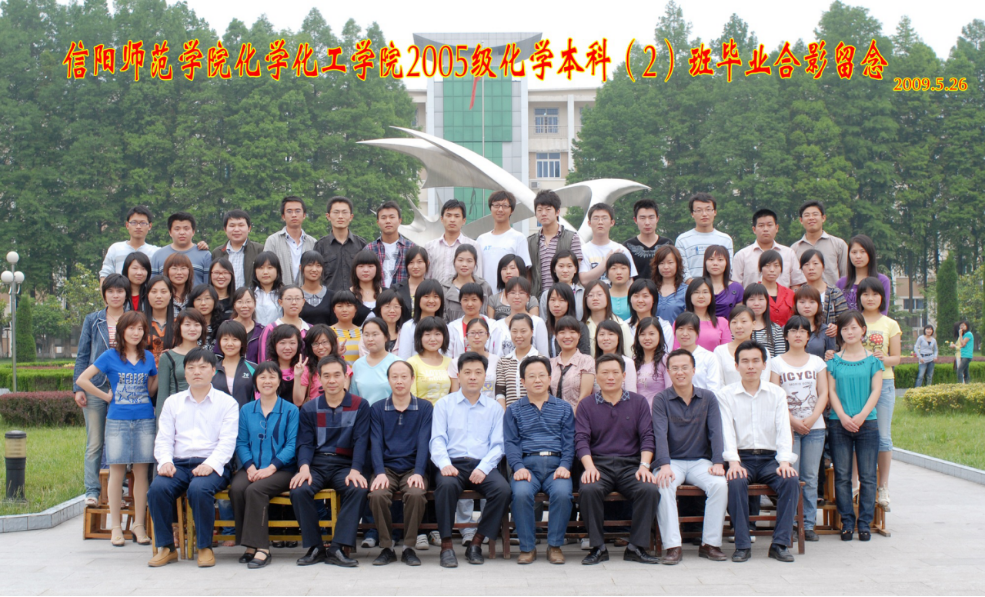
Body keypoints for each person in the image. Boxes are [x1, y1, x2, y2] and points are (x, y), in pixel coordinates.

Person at [147, 348, 239, 568]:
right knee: (157, 489)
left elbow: (227, 443)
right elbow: (164, 438)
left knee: (199, 489)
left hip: (213, 464)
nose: (197, 372)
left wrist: (210, 465)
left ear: (214, 371)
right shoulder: (173, 402)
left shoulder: (227, 403)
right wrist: (165, 461)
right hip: (178, 464)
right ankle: (167, 548)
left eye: (203, 367)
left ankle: (204, 547)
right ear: (185, 372)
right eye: (191, 368)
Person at [74, 311, 157, 547]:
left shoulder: (148, 357)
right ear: (122, 331)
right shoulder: (110, 356)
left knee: (141, 473)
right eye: (131, 328)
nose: (136, 333)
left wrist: (160, 374)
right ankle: (117, 527)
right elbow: (82, 379)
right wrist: (106, 396)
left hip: (144, 420)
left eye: (140, 329)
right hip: (117, 421)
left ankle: (139, 526)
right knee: (117, 472)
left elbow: (151, 389)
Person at [718, 340, 800, 563]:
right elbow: (726, 431)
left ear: (765, 364)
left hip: (769, 459)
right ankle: (742, 544)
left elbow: (784, 429)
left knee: (790, 480)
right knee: (735, 481)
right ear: (736, 366)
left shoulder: (776, 393)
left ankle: (780, 544)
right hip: (741, 458)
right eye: (745, 361)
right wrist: (733, 462)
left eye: (756, 361)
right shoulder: (726, 394)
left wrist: (784, 461)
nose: (750, 366)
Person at [576, 353, 661, 565]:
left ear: (624, 375)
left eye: (615, 372)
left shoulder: (638, 402)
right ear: (597, 376)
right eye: (605, 372)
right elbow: (581, 439)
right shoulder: (586, 405)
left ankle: (636, 547)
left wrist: (644, 466)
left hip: (631, 465)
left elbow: (647, 436)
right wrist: (589, 467)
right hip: (599, 464)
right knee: (589, 489)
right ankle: (598, 547)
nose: (610, 377)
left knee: (649, 489)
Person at [430, 352, 512, 568]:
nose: (472, 377)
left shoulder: (494, 408)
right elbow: (437, 439)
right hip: (452, 464)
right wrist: (445, 464)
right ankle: (446, 546)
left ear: (485, 376)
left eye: (478, 372)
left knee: (503, 490)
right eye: (467, 372)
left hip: (482, 464)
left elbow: (498, 445)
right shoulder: (444, 404)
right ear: (458, 375)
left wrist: (483, 467)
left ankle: (476, 543)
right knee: (446, 486)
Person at [289, 355, 370, 567]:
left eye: (337, 375)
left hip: (345, 465)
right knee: (299, 489)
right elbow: (305, 443)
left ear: (345, 377)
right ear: (319, 378)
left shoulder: (360, 405)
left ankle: (338, 547)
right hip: (316, 464)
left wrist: (356, 470)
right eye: (326, 376)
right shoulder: (310, 408)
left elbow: (361, 440)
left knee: (358, 488)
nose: (332, 380)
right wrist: (304, 468)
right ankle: (315, 547)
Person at [652, 349, 728, 565]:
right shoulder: (661, 399)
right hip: (671, 462)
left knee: (719, 485)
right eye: (675, 368)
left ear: (694, 370)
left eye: (685, 367)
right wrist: (664, 464)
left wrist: (718, 462)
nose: (680, 372)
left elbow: (716, 431)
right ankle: (673, 546)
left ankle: (710, 544)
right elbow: (659, 433)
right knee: (663, 484)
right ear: (668, 372)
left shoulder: (708, 397)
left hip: (700, 462)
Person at [505, 355, 575, 565]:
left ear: (550, 378)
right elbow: (511, 443)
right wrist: (518, 467)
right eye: (531, 376)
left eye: (542, 375)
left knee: (562, 494)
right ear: (522, 381)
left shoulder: (564, 408)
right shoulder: (513, 410)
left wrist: (565, 465)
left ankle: (554, 546)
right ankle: (527, 547)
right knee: (520, 494)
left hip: (556, 466)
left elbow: (569, 441)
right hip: (527, 466)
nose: (537, 380)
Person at [229, 362, 299, 569]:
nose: (267, 381)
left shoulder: (290, 410)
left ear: (279, 381)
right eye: (262, 377)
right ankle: (249, 545)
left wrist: (271, 468)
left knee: (256, 490)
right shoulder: (246, 410)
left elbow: (292, 445)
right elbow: (241, 442)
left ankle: (262, 548)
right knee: (237, 488)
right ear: (255, 382)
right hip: (252, 466)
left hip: (282, 469)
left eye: (272, 377)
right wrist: (250, 467)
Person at [368, 360, 433, 567]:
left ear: (412, 379)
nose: (399, 381)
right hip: (386, 468)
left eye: (404, 377)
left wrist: (419, 472)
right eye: (394, 377)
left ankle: (409, 547)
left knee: (416, 494)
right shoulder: (378, 408)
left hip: (413, 468)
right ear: (388, 380)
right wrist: (379, 472)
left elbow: (424, 442)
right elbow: (375, 443)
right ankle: (387, 547)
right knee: (377, 495)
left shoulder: (424, 407)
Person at [826, 311, 884, 542]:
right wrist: (842, 416)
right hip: (838, 424)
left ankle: (865, 523)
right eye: (844, 328)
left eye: (854, 328)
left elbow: (876, 390)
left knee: (868, 476)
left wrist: (861, 416)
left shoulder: (874, 360)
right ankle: (847, 523)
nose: (849, 332)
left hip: (867, 423)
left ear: (863, 330)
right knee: (842, 476)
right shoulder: (833, 360)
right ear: (839, 332)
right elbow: (831, 391)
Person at [771, 316, 829, 543]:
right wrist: (793, 421)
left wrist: (813, 418)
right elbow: (775, 397)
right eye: (793, 330)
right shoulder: (776, 363)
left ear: (808, 336)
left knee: (811, 477)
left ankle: (808, 524)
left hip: (815, 428)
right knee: (790, 477)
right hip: (788, 429)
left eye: (803, 331)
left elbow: (823, 393)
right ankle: (791, 523)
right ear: (786, 336)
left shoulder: (817, 362)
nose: (798, 334)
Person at [74, 274, 130, 506]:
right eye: (111, 291)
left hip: (125, 387)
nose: (115, 295)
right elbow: (83, 354)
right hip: (95, 386)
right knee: (95, 442)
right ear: (104, 294)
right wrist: (78, 387)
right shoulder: (93, 319)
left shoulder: (132, 318)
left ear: (126, 294)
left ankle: (122, 489)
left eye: (120, 291)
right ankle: (92, 491)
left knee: (122, 440)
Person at [857, 277, 902, 512]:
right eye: (865, 294)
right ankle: (857, 486)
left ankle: (883, 486)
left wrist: (884, 358)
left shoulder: (890, 324)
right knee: (855, 433)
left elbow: (897, 358)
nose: (870, 298)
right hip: (857, 383)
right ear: (859, 297)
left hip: (883, 383)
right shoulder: (853, 321)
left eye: (875, 294)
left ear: (882, 297)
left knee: (883, 437)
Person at [528, 189, 584, 298]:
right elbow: (529, 275)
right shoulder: (530, 242)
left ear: (557, 212)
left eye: (548, 209)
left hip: (564, 298)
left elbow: (576, 270)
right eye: (539, 210)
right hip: (538, 299)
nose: (543, 213)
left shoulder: (572, 238)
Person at [732, 209, 805, 288]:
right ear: (754, 229)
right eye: (761, 225)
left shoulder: (789, 254)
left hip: (783, 296)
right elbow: (736, 286)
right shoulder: (742, 256)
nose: (765, 229)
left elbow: (796, 283)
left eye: (769, 225)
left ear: (776, 228)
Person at [156, 308, 206, 419]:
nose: (192, 329)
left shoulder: (209, 357)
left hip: (203, 416)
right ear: (179, 327)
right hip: (176, 415)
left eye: (197, 325)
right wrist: (160, 426)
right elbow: (162, 396)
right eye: (187, 324)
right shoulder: (167, 357)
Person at [314, 196, 369, 292]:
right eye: (336, 212)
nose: (340, 216)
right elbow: (315, 276)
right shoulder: (320, 246)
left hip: (357, 297)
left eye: (344, 212)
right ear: (328, 216)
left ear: (351, 217)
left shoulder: (361, 244)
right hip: (329, 298)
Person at [477, 191, 532, 285]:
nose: (500, 209)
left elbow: (525, 272)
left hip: (509, 293)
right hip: (485, 292)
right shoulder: (481, 239)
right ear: (490, 208)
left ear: (512, 210)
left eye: (505, 206)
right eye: (496, 205)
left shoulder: (518, 238)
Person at [675, 193, 734, 281]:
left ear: (715, 212)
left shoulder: (726, 239)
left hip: (719, 287)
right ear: (692, 213)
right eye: (699, 210)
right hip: (691, 288)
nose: (704, 214)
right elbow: (682, 270)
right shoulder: (682, 240)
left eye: (708, 209)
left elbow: (729, 269)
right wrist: (697, 286)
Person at [791, 200, 849, 287]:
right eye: (807, 215)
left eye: (815, 214)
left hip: (833, 295)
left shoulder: (839, 245)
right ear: (801, 220)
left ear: (823, 218)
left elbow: (846, 275)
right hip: (805, 295)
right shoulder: (794, 249)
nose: (811, 218)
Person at [425, 199, 483, 283]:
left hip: (464, 291)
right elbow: (426, 276)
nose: (452, 220)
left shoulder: (473, 245)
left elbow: (478, 276)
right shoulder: (430, 247)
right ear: (442, 219)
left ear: (464, 221)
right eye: (448, 215)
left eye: (457, 216)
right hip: (436, 291)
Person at [579, 203, 637, 285]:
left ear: (612, 222)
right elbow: (584, 280)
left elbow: (629, 281)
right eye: (596, 218)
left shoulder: (622, 250)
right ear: (589, 223)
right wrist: (607, 261)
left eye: (604, 218)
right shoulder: (582, 251)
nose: (600, 222)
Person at [714, 305, 772, 387]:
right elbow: (718, 381)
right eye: (734, 322)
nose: (738, 326)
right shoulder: (720, 351)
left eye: (744, 321)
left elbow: (764, 380)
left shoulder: (763, 351)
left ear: (754, 324)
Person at [150, 212, 212, 286]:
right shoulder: (158, 255)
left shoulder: (205, 255)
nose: (182, 232)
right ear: (170, 232)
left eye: (186, 229)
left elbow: (209, 286)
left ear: (193, 232)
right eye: (177, 229)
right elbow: (153, 286)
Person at [664, 312, 721, 393]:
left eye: (690, 329)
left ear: (697, 332)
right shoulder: (671, 357)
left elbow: (714, 388)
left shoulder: (709, 357)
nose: (685, 334)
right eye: (680, 329)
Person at [495, 314, 545, 406]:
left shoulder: (541, 360)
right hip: (510, 412)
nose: (518, 336)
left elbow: (545, 392)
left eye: (523, 331)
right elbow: (500, 393)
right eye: (514, 331)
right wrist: (505, 413)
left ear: (532, 332)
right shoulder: (503, 361)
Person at [264, 196, 316, 284]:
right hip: (280, 290)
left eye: (297, 211)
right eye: (289, 211)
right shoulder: (272, 241)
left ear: (304, 215)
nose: (294, 215)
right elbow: (266, 268)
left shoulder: (313, 242)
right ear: (283, 216)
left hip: (306, 291)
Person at [100, 206, 161, 281]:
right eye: (134, 222)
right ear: (127, 225)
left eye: (143, 223)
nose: (138, 226)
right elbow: (105, 275)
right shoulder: (115, 249)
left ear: (150, 226)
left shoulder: (156, 252)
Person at [492, 278, 550, 355]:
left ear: (528, 297)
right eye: (512, 292)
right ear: (506, 296)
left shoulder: (538, 322)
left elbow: (544, 355)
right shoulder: (497, 325)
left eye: (521, 292)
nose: (517, 296)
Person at [836, 234, 891, 316]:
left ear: (870, 253)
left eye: (863, 252)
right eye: (854, 252)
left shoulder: (882, 280)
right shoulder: (841, 283)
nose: (858, 256)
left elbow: (883, 311)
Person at [366, 200, 416, 289]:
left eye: (392, 217)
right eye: (383, 218)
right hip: (377, 296)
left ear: (399, 220)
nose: (388, 221)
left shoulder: (411, 248)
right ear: (378, 222)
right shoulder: (370, 249)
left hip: (403, 296)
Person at [350, 318, 401, 404]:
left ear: (386, 337)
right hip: (364, 412)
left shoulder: (397, 363)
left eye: (375, 334)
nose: (370, 339)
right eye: (366, 335)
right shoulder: (357, 365)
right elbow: (354, 396)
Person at [449, 317, 500, 402]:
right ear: (466, 336)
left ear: (488, 336)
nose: (476, 337)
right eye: (472, 333)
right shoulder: (456, 362)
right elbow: (454, 394)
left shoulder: (496, 360)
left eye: (481, 333)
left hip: (490, 407)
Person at [550, 316, 596, 410]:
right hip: (552, 415)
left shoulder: (586, 361)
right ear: (556, 336)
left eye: (572, 332)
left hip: (578, 415)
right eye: (562, 332)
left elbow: (585, 394)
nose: (567, 336)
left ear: (579, 335)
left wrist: (572, 416)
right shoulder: (550, 363)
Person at [448, 283, 503, 360]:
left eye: (474, 299)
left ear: (481, 301)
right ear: (460, 302)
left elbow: (499, 353)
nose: (470, 304)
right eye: (465, 300)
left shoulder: (494, 326)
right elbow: (448, 355)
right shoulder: (452, 327)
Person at [211, 209, 263, 290]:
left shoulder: (259, 250)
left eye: (241, 225)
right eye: (232, 226)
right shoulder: (217, 252)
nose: (236, 229)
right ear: (225, 229)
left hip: (251, 296)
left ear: (249, 228)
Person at [441, 244, 493, 324]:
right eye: (460, 260)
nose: (464, 264)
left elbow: (490, 315)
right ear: (454, 261)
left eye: (469, 261)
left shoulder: (484, 286)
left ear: (475, 263)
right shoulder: (444, 288)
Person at [676, 278, 731, 351]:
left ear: (711, 295)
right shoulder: (680, 322)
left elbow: (726, 352)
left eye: (705, 292)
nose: (701, 296)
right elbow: (676, 350)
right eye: (696, 292)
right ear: (689, 295)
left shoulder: (722, 322)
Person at [257, 286, 311, 363]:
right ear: (280, 302)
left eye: (298, 298)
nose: (294, 302)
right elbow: (263, 359)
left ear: (303, 302)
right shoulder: (271, 328)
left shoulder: (310, 329)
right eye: (289, 299)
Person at [407, 316, 453, 404]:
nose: (432, 339)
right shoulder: (412, 363)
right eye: (427, 334)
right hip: (422, 412)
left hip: (445, 411)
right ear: (420, 337)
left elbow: (454, 395)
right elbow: (411, 397)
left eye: (437, 334)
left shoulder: (450, 362)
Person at [799, 249, 849, 329]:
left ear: (823, 267)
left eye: (815, 263)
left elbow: (845, 320)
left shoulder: (834, 293)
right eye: (806, 264)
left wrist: (837, 328)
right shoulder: (798, 293)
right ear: (801, 269)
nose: (811, 268)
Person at [624, 198, 672, 280]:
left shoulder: (667, 244)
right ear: (635, 220)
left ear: (657, 219)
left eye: (651, 217)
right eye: (642, 218)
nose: (647, 222)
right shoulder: (628, 246)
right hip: (636, 288)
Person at [397, 279, 445, 359]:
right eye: (426, 296)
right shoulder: (409, 327)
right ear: (418, 299)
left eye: (435, 297)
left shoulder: (445, 327)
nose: (431, 301)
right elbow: (403, 358)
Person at [582, 280, 633, 357]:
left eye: (599, 294)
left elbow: (629, 354)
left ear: (608, 297)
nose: (595, 298)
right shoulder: (582, 326)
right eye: (590, 295)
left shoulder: (621, 325)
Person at [213, 320, 257, 407]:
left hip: (245, 415)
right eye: (225, 339)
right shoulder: (211, 370)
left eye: (235, 339)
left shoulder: (254, 369)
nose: (230, 344)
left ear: (242, 343)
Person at [544, 283, 591, 357]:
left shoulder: (580, 327)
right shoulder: (544, 327)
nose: (556, 304)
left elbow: (585, 354)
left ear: (569, 302)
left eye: (561, 300)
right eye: (552, 300)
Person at [793, 285, 837, 361]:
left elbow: (831, 358)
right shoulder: (787, 329)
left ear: (818, 305)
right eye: (802, 302)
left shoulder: (827, 331)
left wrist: (830, 355)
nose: (807, 306)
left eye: (812, 302)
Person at [488, 255, 539, 320]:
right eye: (504, 269)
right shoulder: (493, 300)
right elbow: (491, 324)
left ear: (521, 270)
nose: (508, 272)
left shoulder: (531, 300)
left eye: (512, 268)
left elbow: (534, 323)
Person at [539, 250, 585, 322]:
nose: (565, 270)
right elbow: (544, 320)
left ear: (575, 269)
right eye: (561, 266)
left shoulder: (583, 293)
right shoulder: (546, 295)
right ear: (554, 268)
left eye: (569, 266)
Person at [361, 289, 408, 356]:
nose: (392, 310)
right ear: (379, 309)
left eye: (396, 307)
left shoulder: (406, 334)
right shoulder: (369, 334)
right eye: (387, 306)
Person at [633, 317, 668, 406]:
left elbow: (670, 391)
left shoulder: (665, 360)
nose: (647, 338)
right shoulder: (633, 361)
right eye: (642, 334)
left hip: (658, 411)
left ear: (659, 335)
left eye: (651, 334)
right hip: (638, 412)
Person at [594, 320, 637, 392]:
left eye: (611, 334)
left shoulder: (627, 362)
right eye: (602, 334)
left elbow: (631, 392)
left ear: (619, 337)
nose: (606, 338)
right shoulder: (592, 363)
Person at [744, 284, 787, 357]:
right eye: (751, 299)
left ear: (767, 302)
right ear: (745, 302)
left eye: (761, 299)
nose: (756, 303)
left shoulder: (776, 329)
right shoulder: (739, 327)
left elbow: (779, 358)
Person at [703, 245, 744, 319]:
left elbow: (740, 317)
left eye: (720, 260)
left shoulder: (737, 288)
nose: (715, 263)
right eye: (711, 259)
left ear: (727, 263)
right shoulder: (697, 286)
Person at [143, 276, 174, 366]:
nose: (159, 296)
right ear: (148, 295)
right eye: (154, 292)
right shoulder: (139, 322)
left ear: (170, 295)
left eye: (163, 292)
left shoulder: (179, 323)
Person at [651, 245, 688, 322]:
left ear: (678, 264)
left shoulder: (686, 291)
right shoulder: (651, 289)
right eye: (661, 263)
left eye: (670, 263)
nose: (666, 267)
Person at [228, 287, 264, 363]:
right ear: (234, 305)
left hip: (254, 370)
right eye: (240, 302)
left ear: (254, 304)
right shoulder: (226, 327)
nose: (244, 305)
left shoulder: (261, 331)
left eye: (248, 301)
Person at [758, 250, 795, 326]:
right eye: (767, 265)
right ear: (760, 268)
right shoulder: (753, 292)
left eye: (776, 266)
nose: (772, 270)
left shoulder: (789, 293)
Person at [393, 246, 429, 320]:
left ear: (427, 263)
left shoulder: (432, 288)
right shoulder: (396, 289)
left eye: (419, 262)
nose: (415, 266)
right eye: (411, 262)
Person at [250, 252, 285, 327]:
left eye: (270, 267)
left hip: (278, 333)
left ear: (277, 270)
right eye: (261, 268)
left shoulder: (284, 294)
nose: (265, 272)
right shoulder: (249, 294)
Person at [298, 251, 333, 325]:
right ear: (301, 267)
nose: (314, 269)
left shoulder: (332, 296)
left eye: (318, 266)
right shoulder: (296, 295)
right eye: (309, 265)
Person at [330, 291, 363, 363]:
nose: (344, 310)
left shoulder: (363, 332)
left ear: (355, 308)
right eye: (340, 306)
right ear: (334, 309)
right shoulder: (328, 332)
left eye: (349, 305)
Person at [187, 284, 223, 351]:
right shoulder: (187, 326)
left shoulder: (222, 326)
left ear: (215, 301)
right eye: (198, 299)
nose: (203, 303)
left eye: (207, 298)